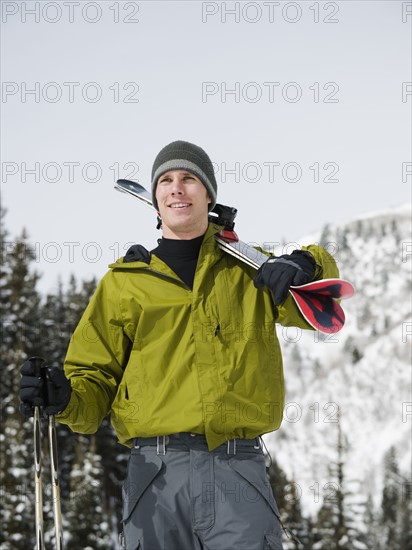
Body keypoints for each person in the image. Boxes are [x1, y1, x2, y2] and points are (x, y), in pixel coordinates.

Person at [20, 140, 339, 550]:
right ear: (155, 201)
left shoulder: (253, 273)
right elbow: (93, 382)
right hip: (155, 472)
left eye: (189, 178)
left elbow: (325, 303)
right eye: (166, 180)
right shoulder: (124, 283)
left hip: (237, 467)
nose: (177, 188)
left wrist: (305, 265)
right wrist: (63, 397)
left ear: (209, 196)